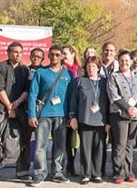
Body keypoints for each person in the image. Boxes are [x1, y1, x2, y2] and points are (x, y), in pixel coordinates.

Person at [28, 45, 74, 187]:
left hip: (61, 115)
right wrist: (32, 114)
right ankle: (40, 173)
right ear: (48, 56)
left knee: (60, 146)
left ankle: (58, 172)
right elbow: (32, 94)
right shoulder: (41, 73)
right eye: (52, 54)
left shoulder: (68, 74)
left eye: (57, 55)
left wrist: (71, 116)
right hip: (43, 115)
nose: (54, 57)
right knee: (40, 146)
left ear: (61, 57)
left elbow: (71, 97)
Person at [0, 42, 32, 185]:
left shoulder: (24, 70)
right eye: (15, 52)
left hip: (20, 108)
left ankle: (22, 171)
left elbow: (27, 89)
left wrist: (16, 104)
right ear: (8, 52)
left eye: (20, 52)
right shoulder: (1, 67)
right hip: (2, 109)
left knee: (24, 139)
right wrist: (8, 106)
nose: (18, 54)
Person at [107, 50, 137, 184]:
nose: (124, 63)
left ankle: (129, 171)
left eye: (127, 60)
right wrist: (128, 108)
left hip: (135, 115)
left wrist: (136, 108)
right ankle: (118, 172)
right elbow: (114, 96)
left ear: (131, 61)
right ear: (118, 62)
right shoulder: (114, 77)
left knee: (130, 144)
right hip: (119, 114)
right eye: (122, 61)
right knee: (120, 144)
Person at [69, 56, 108, 184]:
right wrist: (73, 117)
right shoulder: (79, 81)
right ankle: (85, 173)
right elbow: (74, 100)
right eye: (89, 66)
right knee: (85, 148)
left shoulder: (105, 82)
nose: (91, 68)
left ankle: (97, 173)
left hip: (101, 120)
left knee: (99, 147)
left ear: (98, 68)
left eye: (94, 66)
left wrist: (108, 122)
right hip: (84, 118)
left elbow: (109, 102)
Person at [62, 45, 82, 177]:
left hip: (80, 110)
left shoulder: (81, 71)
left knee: (79, 140)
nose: (63, 56)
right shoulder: (60, 70)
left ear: (73, 54)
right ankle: (69, 165)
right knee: (67, 140)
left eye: (65, 53)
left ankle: (81, 165)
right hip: (64, 108)